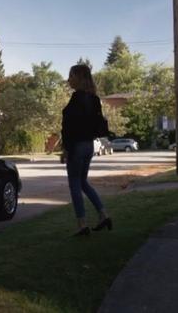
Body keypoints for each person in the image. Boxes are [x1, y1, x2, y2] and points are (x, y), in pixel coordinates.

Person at [61, 64, 112, 236]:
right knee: (83, 182)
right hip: (89, 145)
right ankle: (103, 214)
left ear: (80, 78)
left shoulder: (77, 98)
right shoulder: (94, 99)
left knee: (75, 184)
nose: (68, 80)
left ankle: (82, 224)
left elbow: (70, 127)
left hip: (77, 146)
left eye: (71, 76)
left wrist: (66, 149)